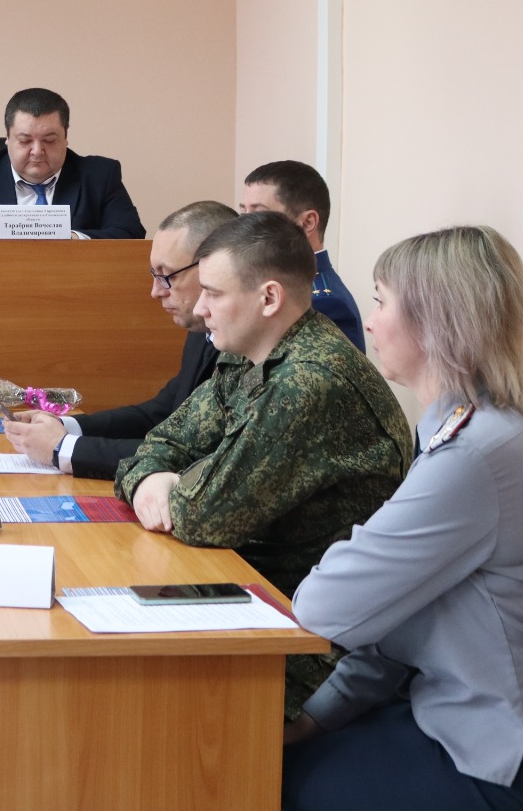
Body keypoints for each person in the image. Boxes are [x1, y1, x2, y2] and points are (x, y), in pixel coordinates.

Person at [283, 227, 523, 811]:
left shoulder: (476, 454)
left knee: (272, 781)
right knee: (277, 757)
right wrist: (316, 718)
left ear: (435, 323)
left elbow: (321, 606)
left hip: (518, 761)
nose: (369, 322)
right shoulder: (469, 432)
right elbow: (402, 620)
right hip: (470, 722)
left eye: (381, 301)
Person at [113, 211, 411, 717]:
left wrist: (170, 485)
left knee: (136, 690)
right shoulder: (250, 353)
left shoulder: (310, 381)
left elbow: (203, 516)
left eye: (214, 293)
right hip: (255, 591)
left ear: (269, 298)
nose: (200, 308)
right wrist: (150, 479)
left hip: (313, 638)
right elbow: (159, 443)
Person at [3, 200, 236, 478]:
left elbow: (196, 456)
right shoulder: (201, 331)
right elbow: (163, 413)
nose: (155, 292)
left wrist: (64, 448)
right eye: (154, 275)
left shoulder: (246, 347)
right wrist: (64, 427)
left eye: (167, 275)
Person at [0, 87, 144, 239]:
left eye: (49, 140)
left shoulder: (100, 176)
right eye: (25, 140)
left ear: (66, 137)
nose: (37, 151)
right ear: (8, 138)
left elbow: (131, 235)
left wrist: (72, 239)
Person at [240, 160, 363, 349]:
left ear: (307, 223)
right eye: (243, 214)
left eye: (259, 215)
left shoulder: (323, 302)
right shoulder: (273, 281)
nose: (244, 226)